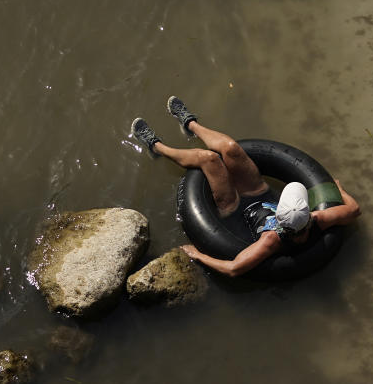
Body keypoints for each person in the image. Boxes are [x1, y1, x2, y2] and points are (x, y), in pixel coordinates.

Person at [131, 96, 360, 277]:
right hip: (260, 193)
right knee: (230, 148)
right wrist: (338, 190)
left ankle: (157, 147)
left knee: (209, 160)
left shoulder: (270, 241)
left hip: (235, 212)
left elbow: (233, 269)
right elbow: (354, 210)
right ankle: (191, 124)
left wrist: (198, 255)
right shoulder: (319, 219)